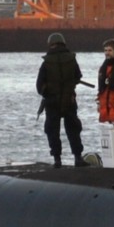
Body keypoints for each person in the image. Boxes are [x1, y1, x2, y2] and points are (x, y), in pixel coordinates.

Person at [37, 32, 85, 166]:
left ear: (50, 44)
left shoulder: (46, 62)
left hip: (52, 102)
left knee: (52, 130)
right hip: (69, 100)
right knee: (73, 129)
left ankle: (57, 159)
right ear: (63, 43)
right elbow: (78, 76)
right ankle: (78, 158)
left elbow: (39, 85)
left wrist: (47, 93)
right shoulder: (71, 59)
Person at [94, 38, 114, 164]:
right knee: (107, 135)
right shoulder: (103, 67)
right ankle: (110, 160)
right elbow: (101, 88)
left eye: (110, 50)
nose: (107, 53)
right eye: (105, 50)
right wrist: (98, 102)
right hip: (105, 107)